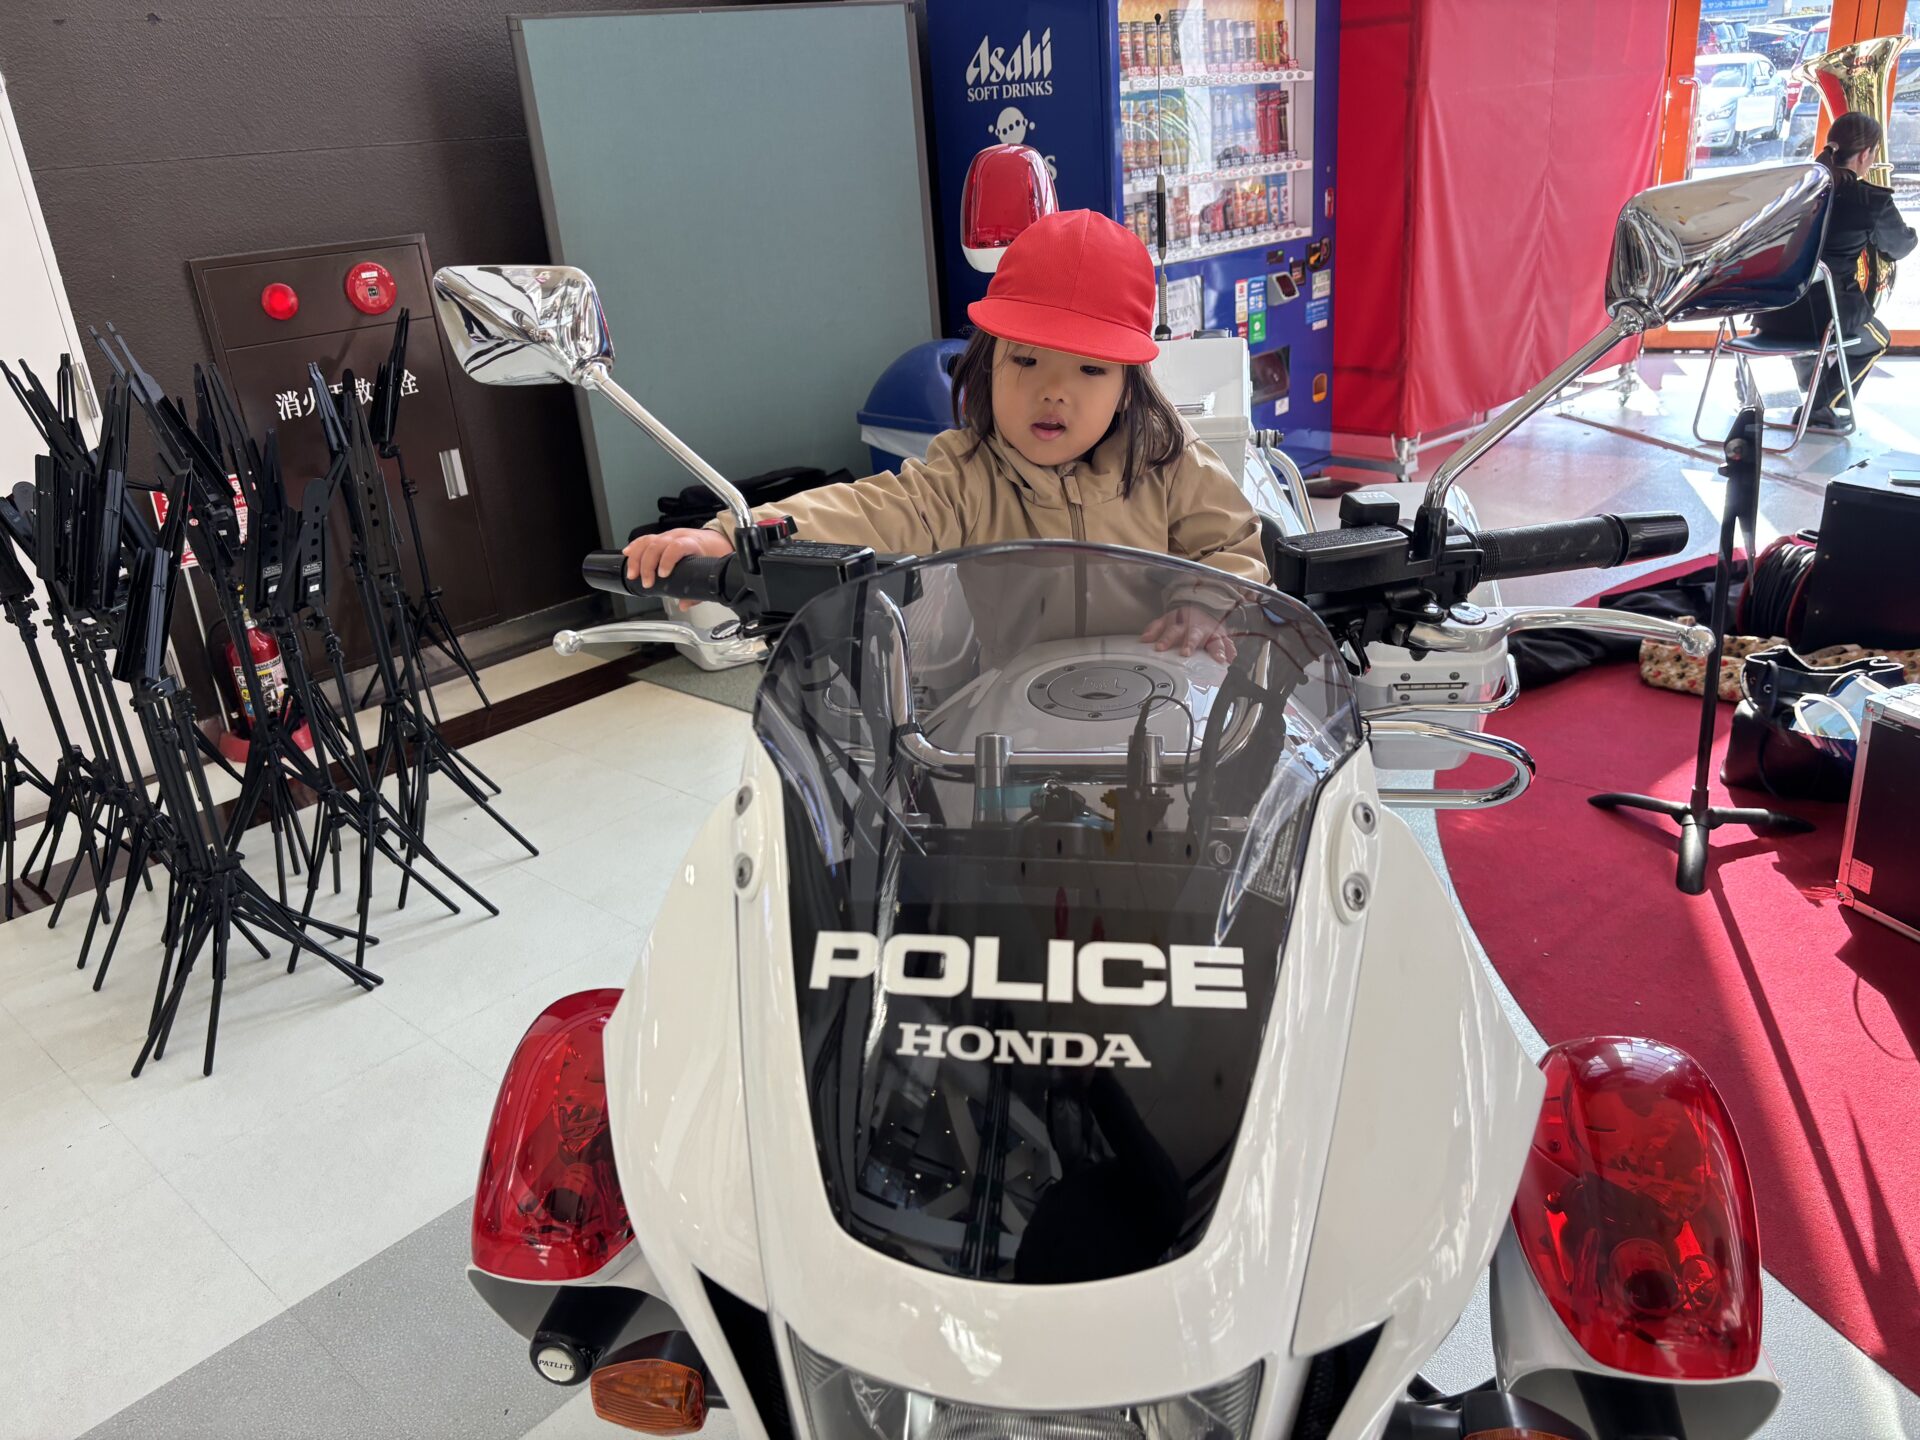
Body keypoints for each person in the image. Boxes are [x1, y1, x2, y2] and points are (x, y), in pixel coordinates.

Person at [621, 209, 1270, 662]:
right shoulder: (967, 474)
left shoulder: (1167, 458)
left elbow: (1232, 543)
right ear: (987, 363)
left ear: (1128, 385)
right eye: (1026, 359)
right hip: (1016, 717)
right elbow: (871, 508)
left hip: (1158, 692)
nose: (1053, 391)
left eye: (1090, 369)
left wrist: (1204, 604)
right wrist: (730, 534)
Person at [1753, 110, 1917, 432]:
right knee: (1877, 339)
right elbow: (1899, 246)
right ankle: (1819, 407)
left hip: (1772, 313)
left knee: (1812, 335)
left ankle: (1811, 394)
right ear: (1866, 154)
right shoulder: (1870, 200)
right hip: (1824, 318)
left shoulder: (1796, 191)